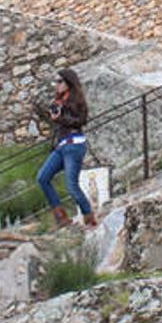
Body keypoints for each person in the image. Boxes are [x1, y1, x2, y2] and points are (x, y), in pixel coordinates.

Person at [37, 68, 97, 227]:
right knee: (43, 177)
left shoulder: (77, 101)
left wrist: (61, 117)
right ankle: (61, 217)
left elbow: (81, 121)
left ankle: (89, 217)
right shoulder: (59, 101)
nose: (57, 85)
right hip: (61, 146)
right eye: (55, 82)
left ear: (68, 83)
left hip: (74, 145)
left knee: (71, 186)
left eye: (59, 81)